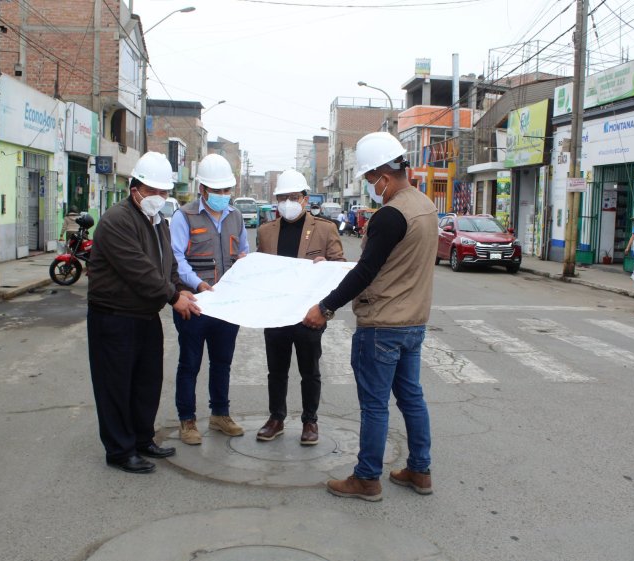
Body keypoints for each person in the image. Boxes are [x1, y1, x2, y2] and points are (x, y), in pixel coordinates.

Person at [303, 132, 438, 501]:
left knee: (375, 405)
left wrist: (324, 307)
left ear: (383, 174)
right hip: (413, 323)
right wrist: (335, 269)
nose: (369, 187)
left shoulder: (389, 216)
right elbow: (387, 264)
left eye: (368, 179)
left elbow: (366, 273)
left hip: (381, 325)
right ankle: (420, 470)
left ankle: (366, 478)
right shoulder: (425, 206)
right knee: (412, 398)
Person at [87, 152, 200, 474]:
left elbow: (167, 266)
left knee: (146, 382)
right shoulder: (116, 221)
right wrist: (172, 297)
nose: (159, 198)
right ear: (134, 187)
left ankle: (141, 438)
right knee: (116, 385)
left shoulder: (158, 221)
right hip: (114, 316)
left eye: (164, 193)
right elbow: (139, 271)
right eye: (153, 192)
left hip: (145, 315)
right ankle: (120, 451)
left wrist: (180, 288)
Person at [255, 170, 345, 445]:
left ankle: (310, 421)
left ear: (305, 199)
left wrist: (326, 268)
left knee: (310, 371)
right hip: (277, 313)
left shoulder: (325, 228)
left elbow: (341, 269)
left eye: (293, 197)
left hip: (309, 314)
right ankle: (276, 418)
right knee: (276, 371)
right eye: (282, 198)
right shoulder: (266, 231)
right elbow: (260, 272)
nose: (288, 202)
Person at [170, 153, 249, 445]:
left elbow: (243, 250)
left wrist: (243, 260)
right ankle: (187, 420)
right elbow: (176, 257)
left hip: (227, 306)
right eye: (217, 190)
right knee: (190, 363)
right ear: (202, 189)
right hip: (196, 304)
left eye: (227, 190)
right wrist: (199, 284)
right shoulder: (184, 216)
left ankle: (220, 414)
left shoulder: (236, 215)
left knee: (222, 362)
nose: (223, 196)